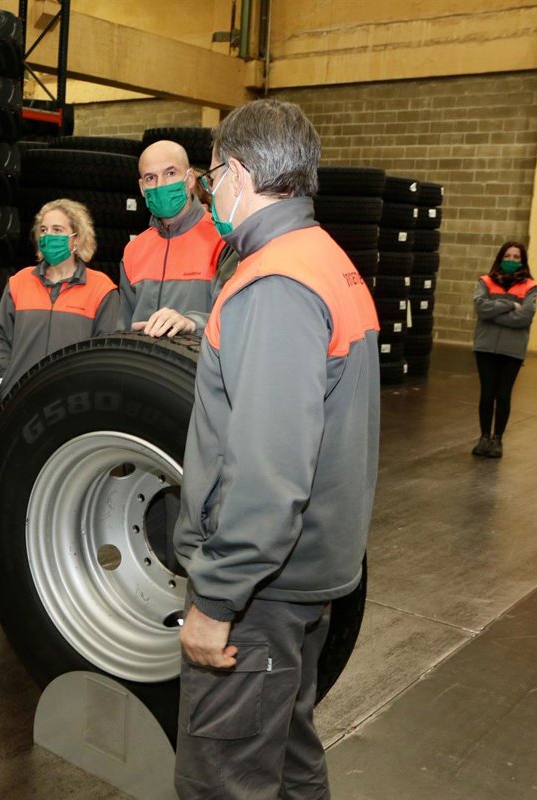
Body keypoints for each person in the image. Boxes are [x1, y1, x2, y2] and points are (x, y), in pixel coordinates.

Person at [171, 99, 380, 798]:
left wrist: (217, 598)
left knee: (224, 779)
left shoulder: (274, 283)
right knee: (289, 757)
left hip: (262, 592)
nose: (209, 192)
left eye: (209, 177)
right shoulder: (325, 259)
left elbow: (270, 468)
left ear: (236, 173)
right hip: (306, 575)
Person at [0, 199, 119, 398]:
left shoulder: (101, 289)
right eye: (43, 230)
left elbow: (106, 352)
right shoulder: (20, 281)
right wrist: (4, 377)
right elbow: (1, 335)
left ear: (76, 239)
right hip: (19, 396)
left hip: (73, 401)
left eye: (57, 230)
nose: (48, 236)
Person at [120, 140, 238, 338]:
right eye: (150, 178)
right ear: (141, 187)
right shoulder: (134, 250)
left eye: (170, 173)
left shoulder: (222, 240)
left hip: (198, 357)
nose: (160, 185)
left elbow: (235, 320)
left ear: (190, 179)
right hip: (141, 358)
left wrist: (193, 323)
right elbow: (123, 328)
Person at [471, 241, 537, 458]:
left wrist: (494, 314)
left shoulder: (530, 286)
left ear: (523, 261)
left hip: (513, 350)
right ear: (500, 258)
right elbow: (481, 308)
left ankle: (497, 439)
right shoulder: (485, 281)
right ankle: (484, 437)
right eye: (508, 256)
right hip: (485, 347)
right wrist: (510, 305)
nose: (511, 260)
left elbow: (524, 317)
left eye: (516, 257)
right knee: (487, 393)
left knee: (503, 395)